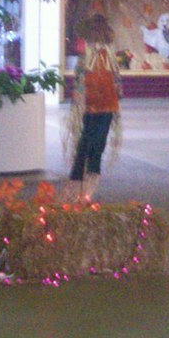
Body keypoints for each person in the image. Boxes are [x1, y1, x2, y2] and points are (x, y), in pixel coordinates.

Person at [63, 14, 122, 201]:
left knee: (94, 144)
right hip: (90, 106)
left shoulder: (109, 58)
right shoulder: (87, 58)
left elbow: (116, 81)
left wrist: (117, 100)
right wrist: (78, 100)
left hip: (106, 105)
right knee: (87, 143)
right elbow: (81, 81)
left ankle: (86, 188)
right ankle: (77, 185)